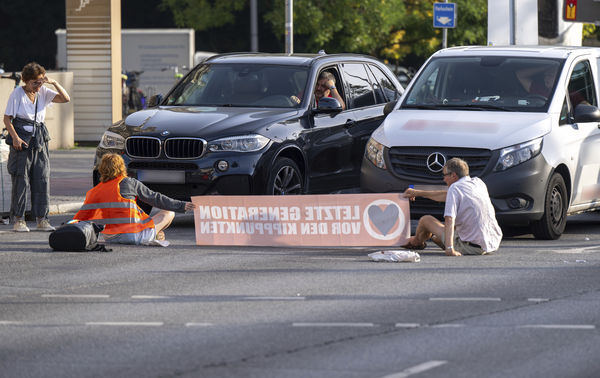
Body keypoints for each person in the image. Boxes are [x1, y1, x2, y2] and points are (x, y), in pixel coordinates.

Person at [3, 62, 70, 232]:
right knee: (21, 180)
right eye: (35, 82)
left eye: (40, 81)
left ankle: (42, 219)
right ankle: (19, 220)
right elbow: (7, 119)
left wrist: (53, 82)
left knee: (42, 179)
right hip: (22, 141)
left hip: (40, 139)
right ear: (26, 81)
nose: (38, 85)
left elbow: (65, 98)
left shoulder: (44, 92)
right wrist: (15, 138)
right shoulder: (17, 93)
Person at [73, 154, 196, 247]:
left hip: (110, 238)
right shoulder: (129, 183)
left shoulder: (95, 191)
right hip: (133, 236)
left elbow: (80, 218)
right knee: (168, 213)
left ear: (101, 169)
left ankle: (156, 235)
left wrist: (65, 228)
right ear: (122, 167)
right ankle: (155, 234)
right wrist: (182, 205)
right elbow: (155, 198)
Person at [401, 158, 502, 256]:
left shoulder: (455, 188)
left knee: (425, 220)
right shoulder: (478, 182)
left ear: (453, 175)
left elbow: (449, 219)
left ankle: (416, 242)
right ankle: (438, 239)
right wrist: (417, 193)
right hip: (492, 243)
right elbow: (445, 195)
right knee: (440, 234)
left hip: (472, 247)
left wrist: (450, 249)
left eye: (444, 175)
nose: (443, 179)